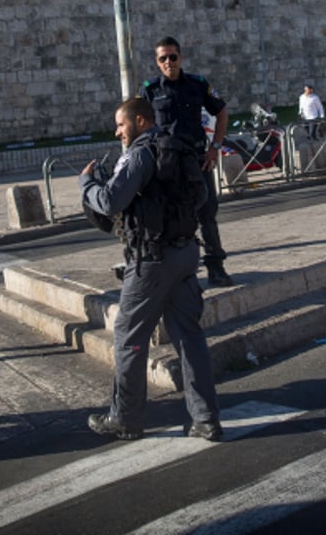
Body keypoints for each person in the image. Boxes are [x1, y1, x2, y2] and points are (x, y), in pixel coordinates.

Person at [80, 98, 223, 442]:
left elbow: (111, 201)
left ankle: (125, 418)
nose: (118, 131)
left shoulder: (139, 154)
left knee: (128, 336)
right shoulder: (181, 148)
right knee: (189, 337)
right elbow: (201, 196)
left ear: (141, 121)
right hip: (186, 252)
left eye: (121, 124)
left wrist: (86, 185)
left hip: (152, 260)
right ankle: (206, 419)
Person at [140, 36, 233, 287]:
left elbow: (221, 112)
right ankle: (174, 271)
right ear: (157, 62)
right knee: (167, 216)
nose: (169, 62)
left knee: (207, 213)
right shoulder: (150, 90)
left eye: (173, 56)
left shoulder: (198, 84)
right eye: (163, 58)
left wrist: (215, 147)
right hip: (166, 163)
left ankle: (216, 266)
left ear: (181, 57)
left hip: (197, 160)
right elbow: (141, 126)